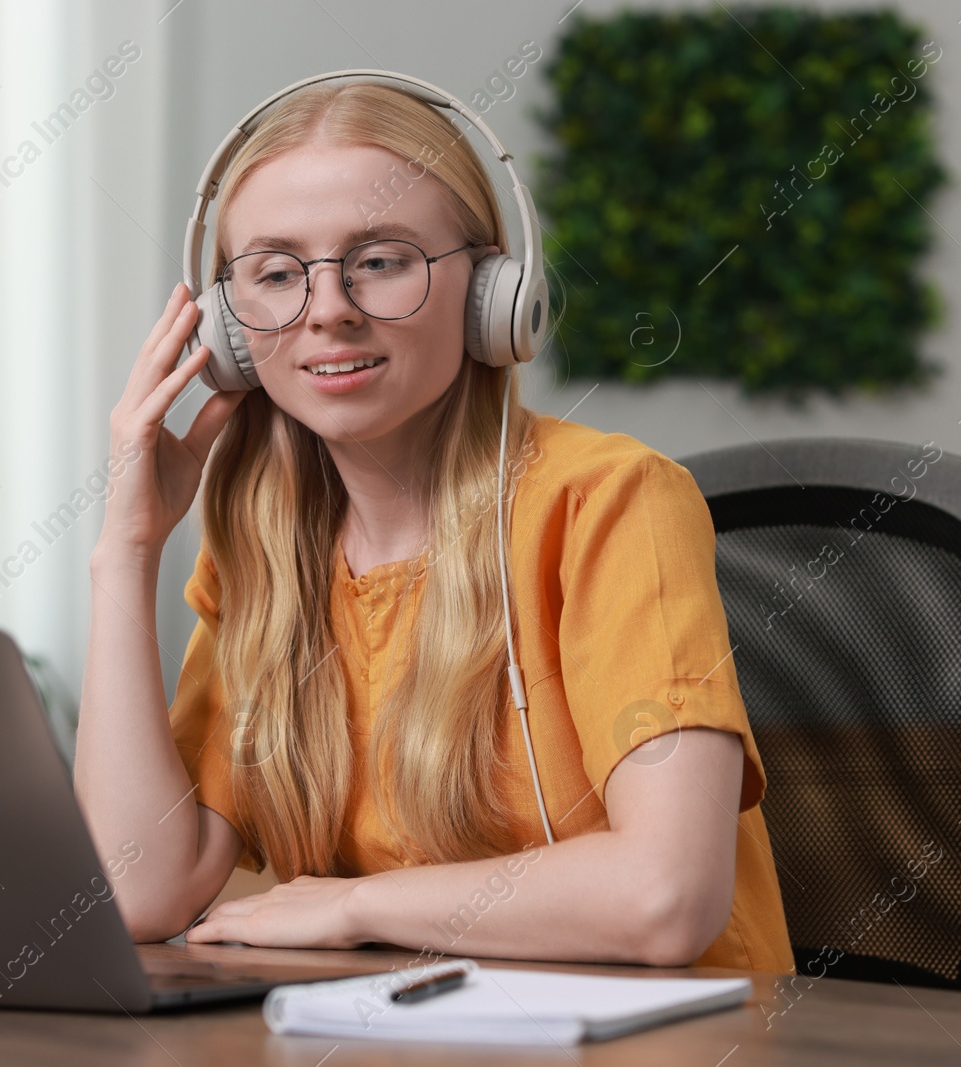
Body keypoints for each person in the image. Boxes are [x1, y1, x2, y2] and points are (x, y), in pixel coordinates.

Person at [73, 80, 794, 972]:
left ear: (493, 291)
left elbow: (666, 898)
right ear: (229, 329)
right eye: (274, 273)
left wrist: (354, 907)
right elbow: (139, 891)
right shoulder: (264, 554)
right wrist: (126, 554)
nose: (327, 307)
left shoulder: (608, 501)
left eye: (380, 260)